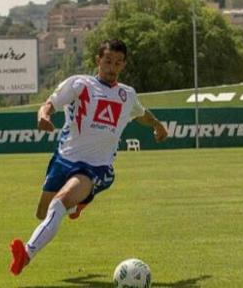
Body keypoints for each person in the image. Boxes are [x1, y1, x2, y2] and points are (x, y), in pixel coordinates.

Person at [9, 39, 168, 276]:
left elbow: (141, 114)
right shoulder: (79, 84)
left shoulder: (127, 95)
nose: (111, 67)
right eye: (107, 61)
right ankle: (78, 205)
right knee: (42, 213)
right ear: (98, 60)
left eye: (117, 63)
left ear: (123, 64)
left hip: (95, 167)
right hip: (64, 159)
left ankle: (27, 254)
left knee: (58, 205)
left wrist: (157, 126)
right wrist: (42, 116)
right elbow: (49, 105)